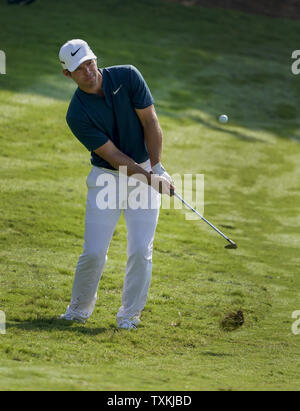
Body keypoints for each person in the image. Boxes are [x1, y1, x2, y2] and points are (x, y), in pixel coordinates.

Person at [58, 39, 174, 330]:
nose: (88, 71)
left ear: (95, 58)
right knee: (94, 251)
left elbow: (150, 121)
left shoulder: (127, 76)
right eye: (79, 69)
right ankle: (77, 311)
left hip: (146, 167)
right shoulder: (77, 114)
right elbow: (114, 156)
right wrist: (152, 180)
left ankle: (128, 316)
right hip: (107, 178)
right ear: (67, 75)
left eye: (89, 62)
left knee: (140, 250)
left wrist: (157, 167)